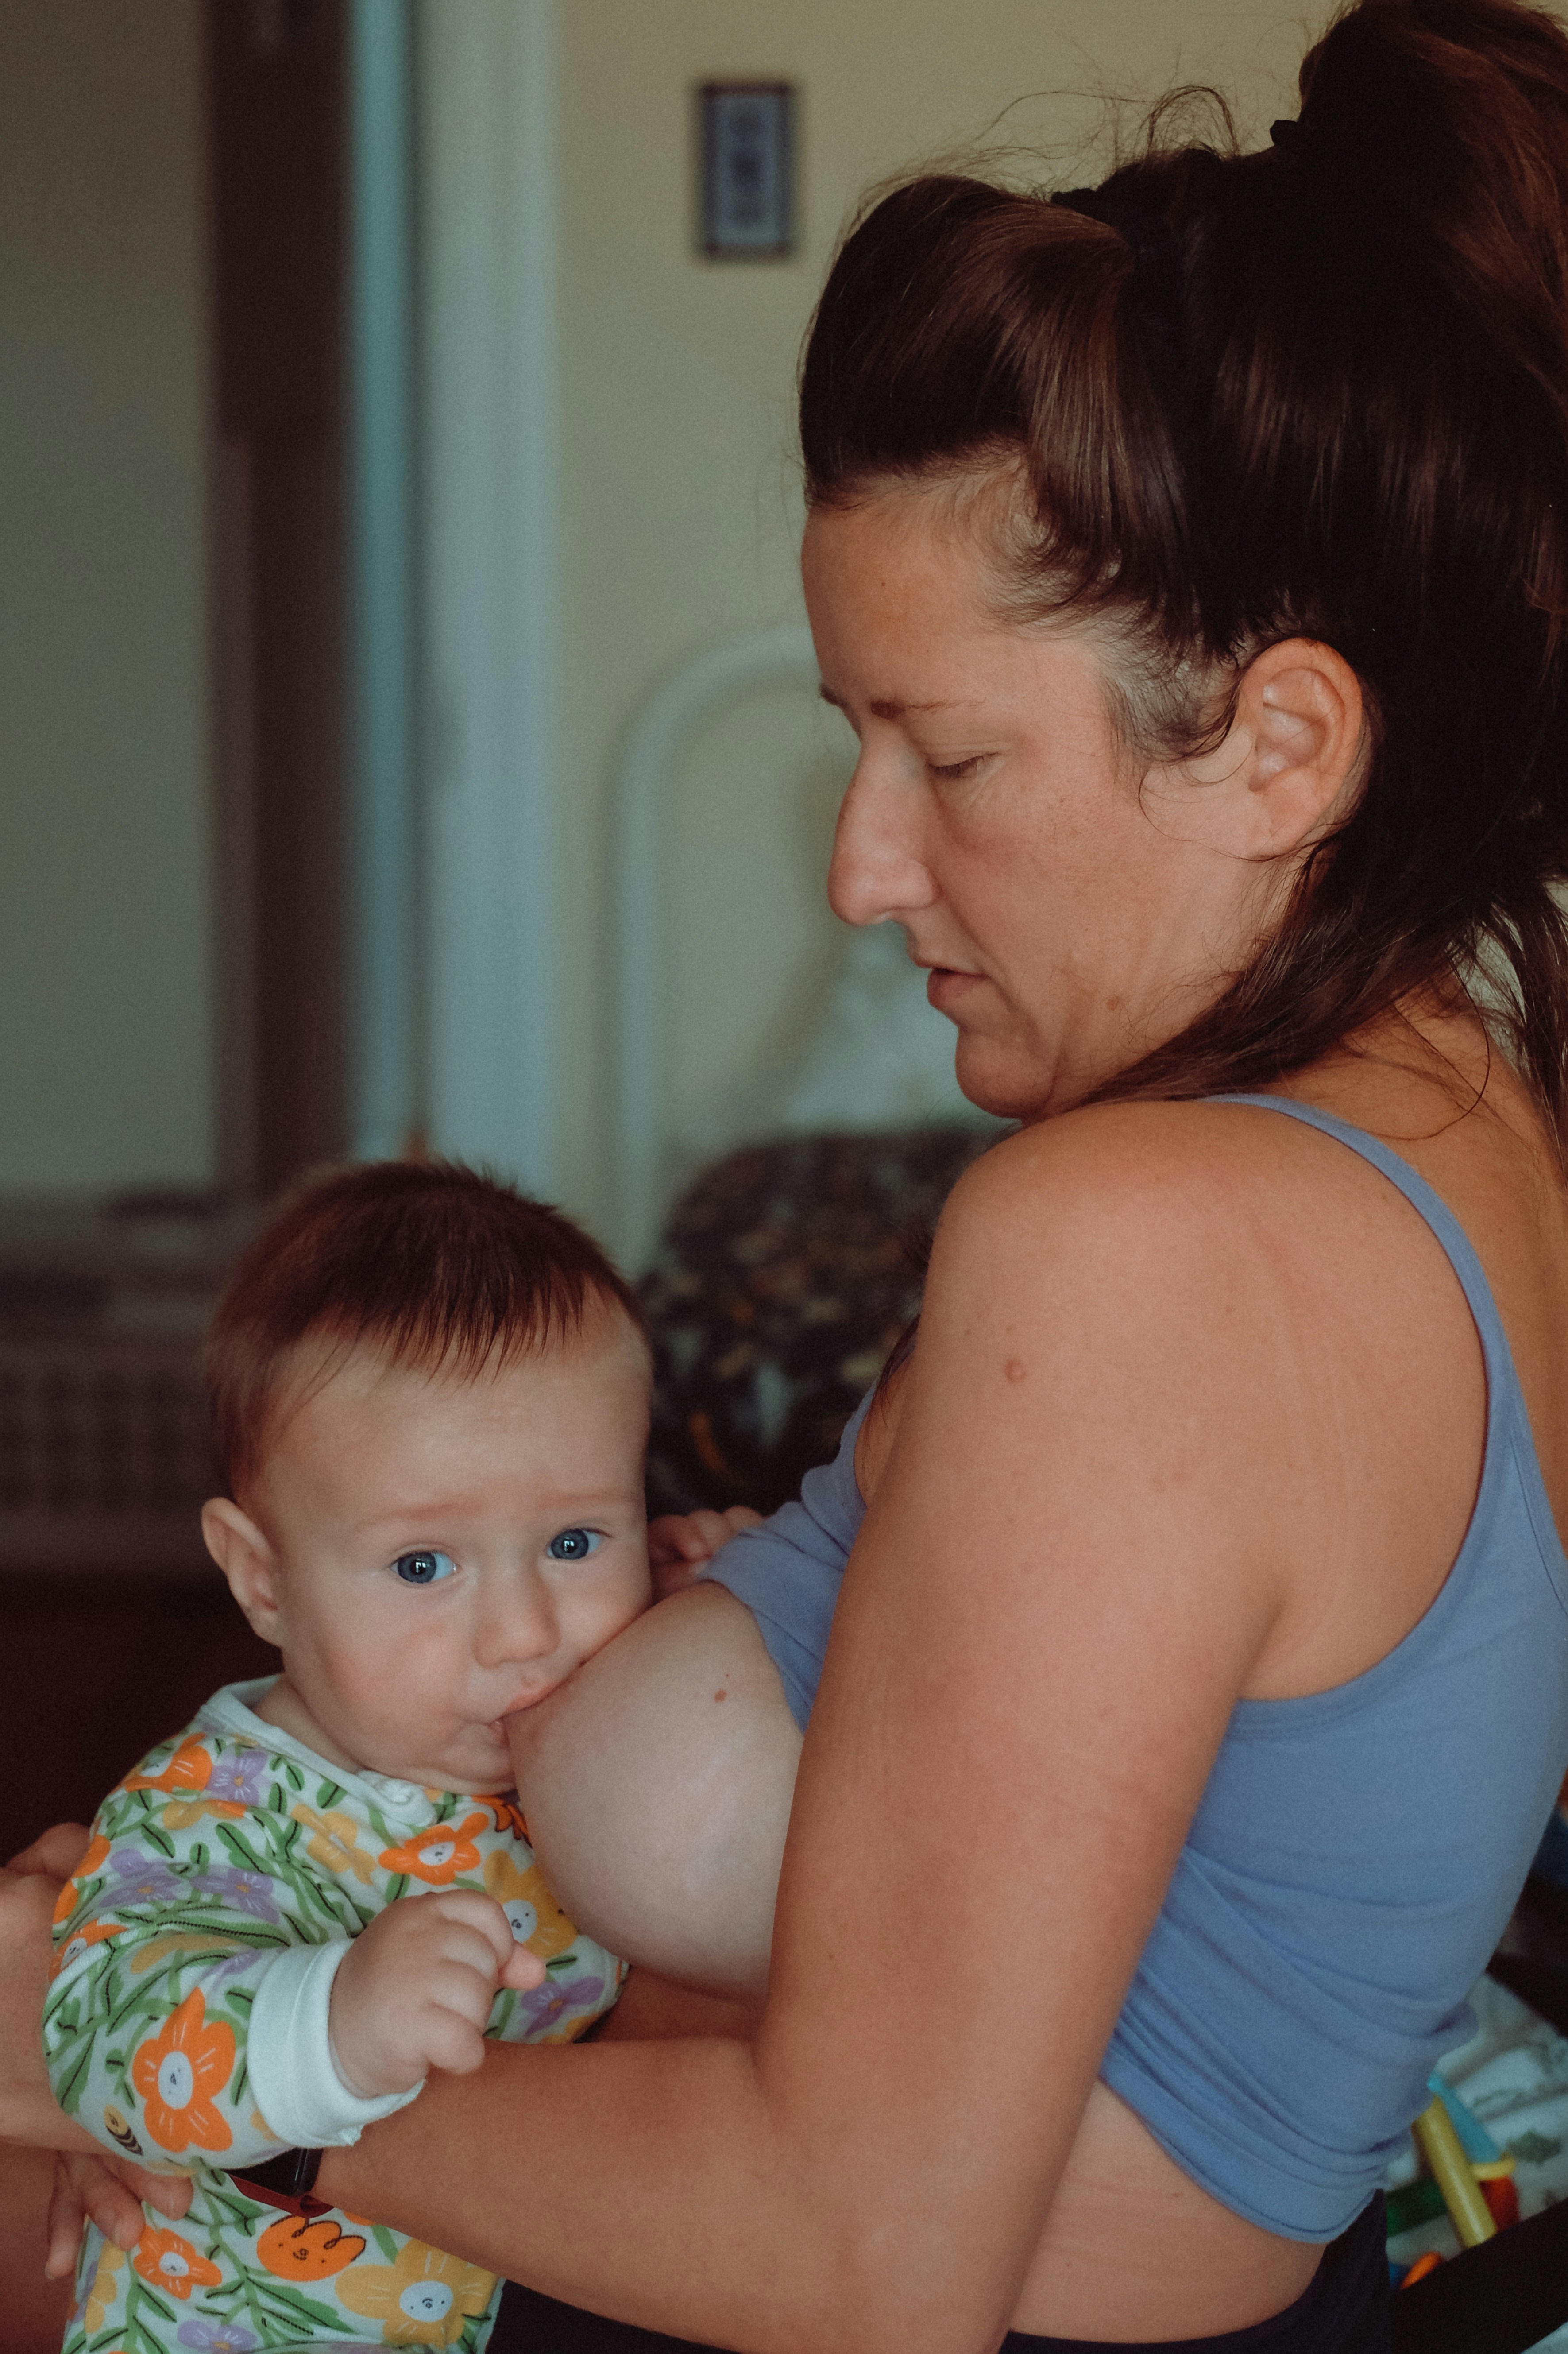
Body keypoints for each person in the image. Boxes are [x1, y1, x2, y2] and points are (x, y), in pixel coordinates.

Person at [13, 0, 1568, 2347]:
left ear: (1274, 744)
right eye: (851, 741)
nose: (862, 867)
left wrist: (201, 2071)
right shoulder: (1467, 1094)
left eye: (947, 758)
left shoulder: (1143, 1245)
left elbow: (868, 2253)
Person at [41, 1162, 656, 2351]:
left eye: (576, 1539)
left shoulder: (585, 1738)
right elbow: (100, 2033)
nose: (525, 1631)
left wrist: (712, 1590)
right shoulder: (219, 1806)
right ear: (263, 1575)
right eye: (425, 1565)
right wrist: (331, 2021)